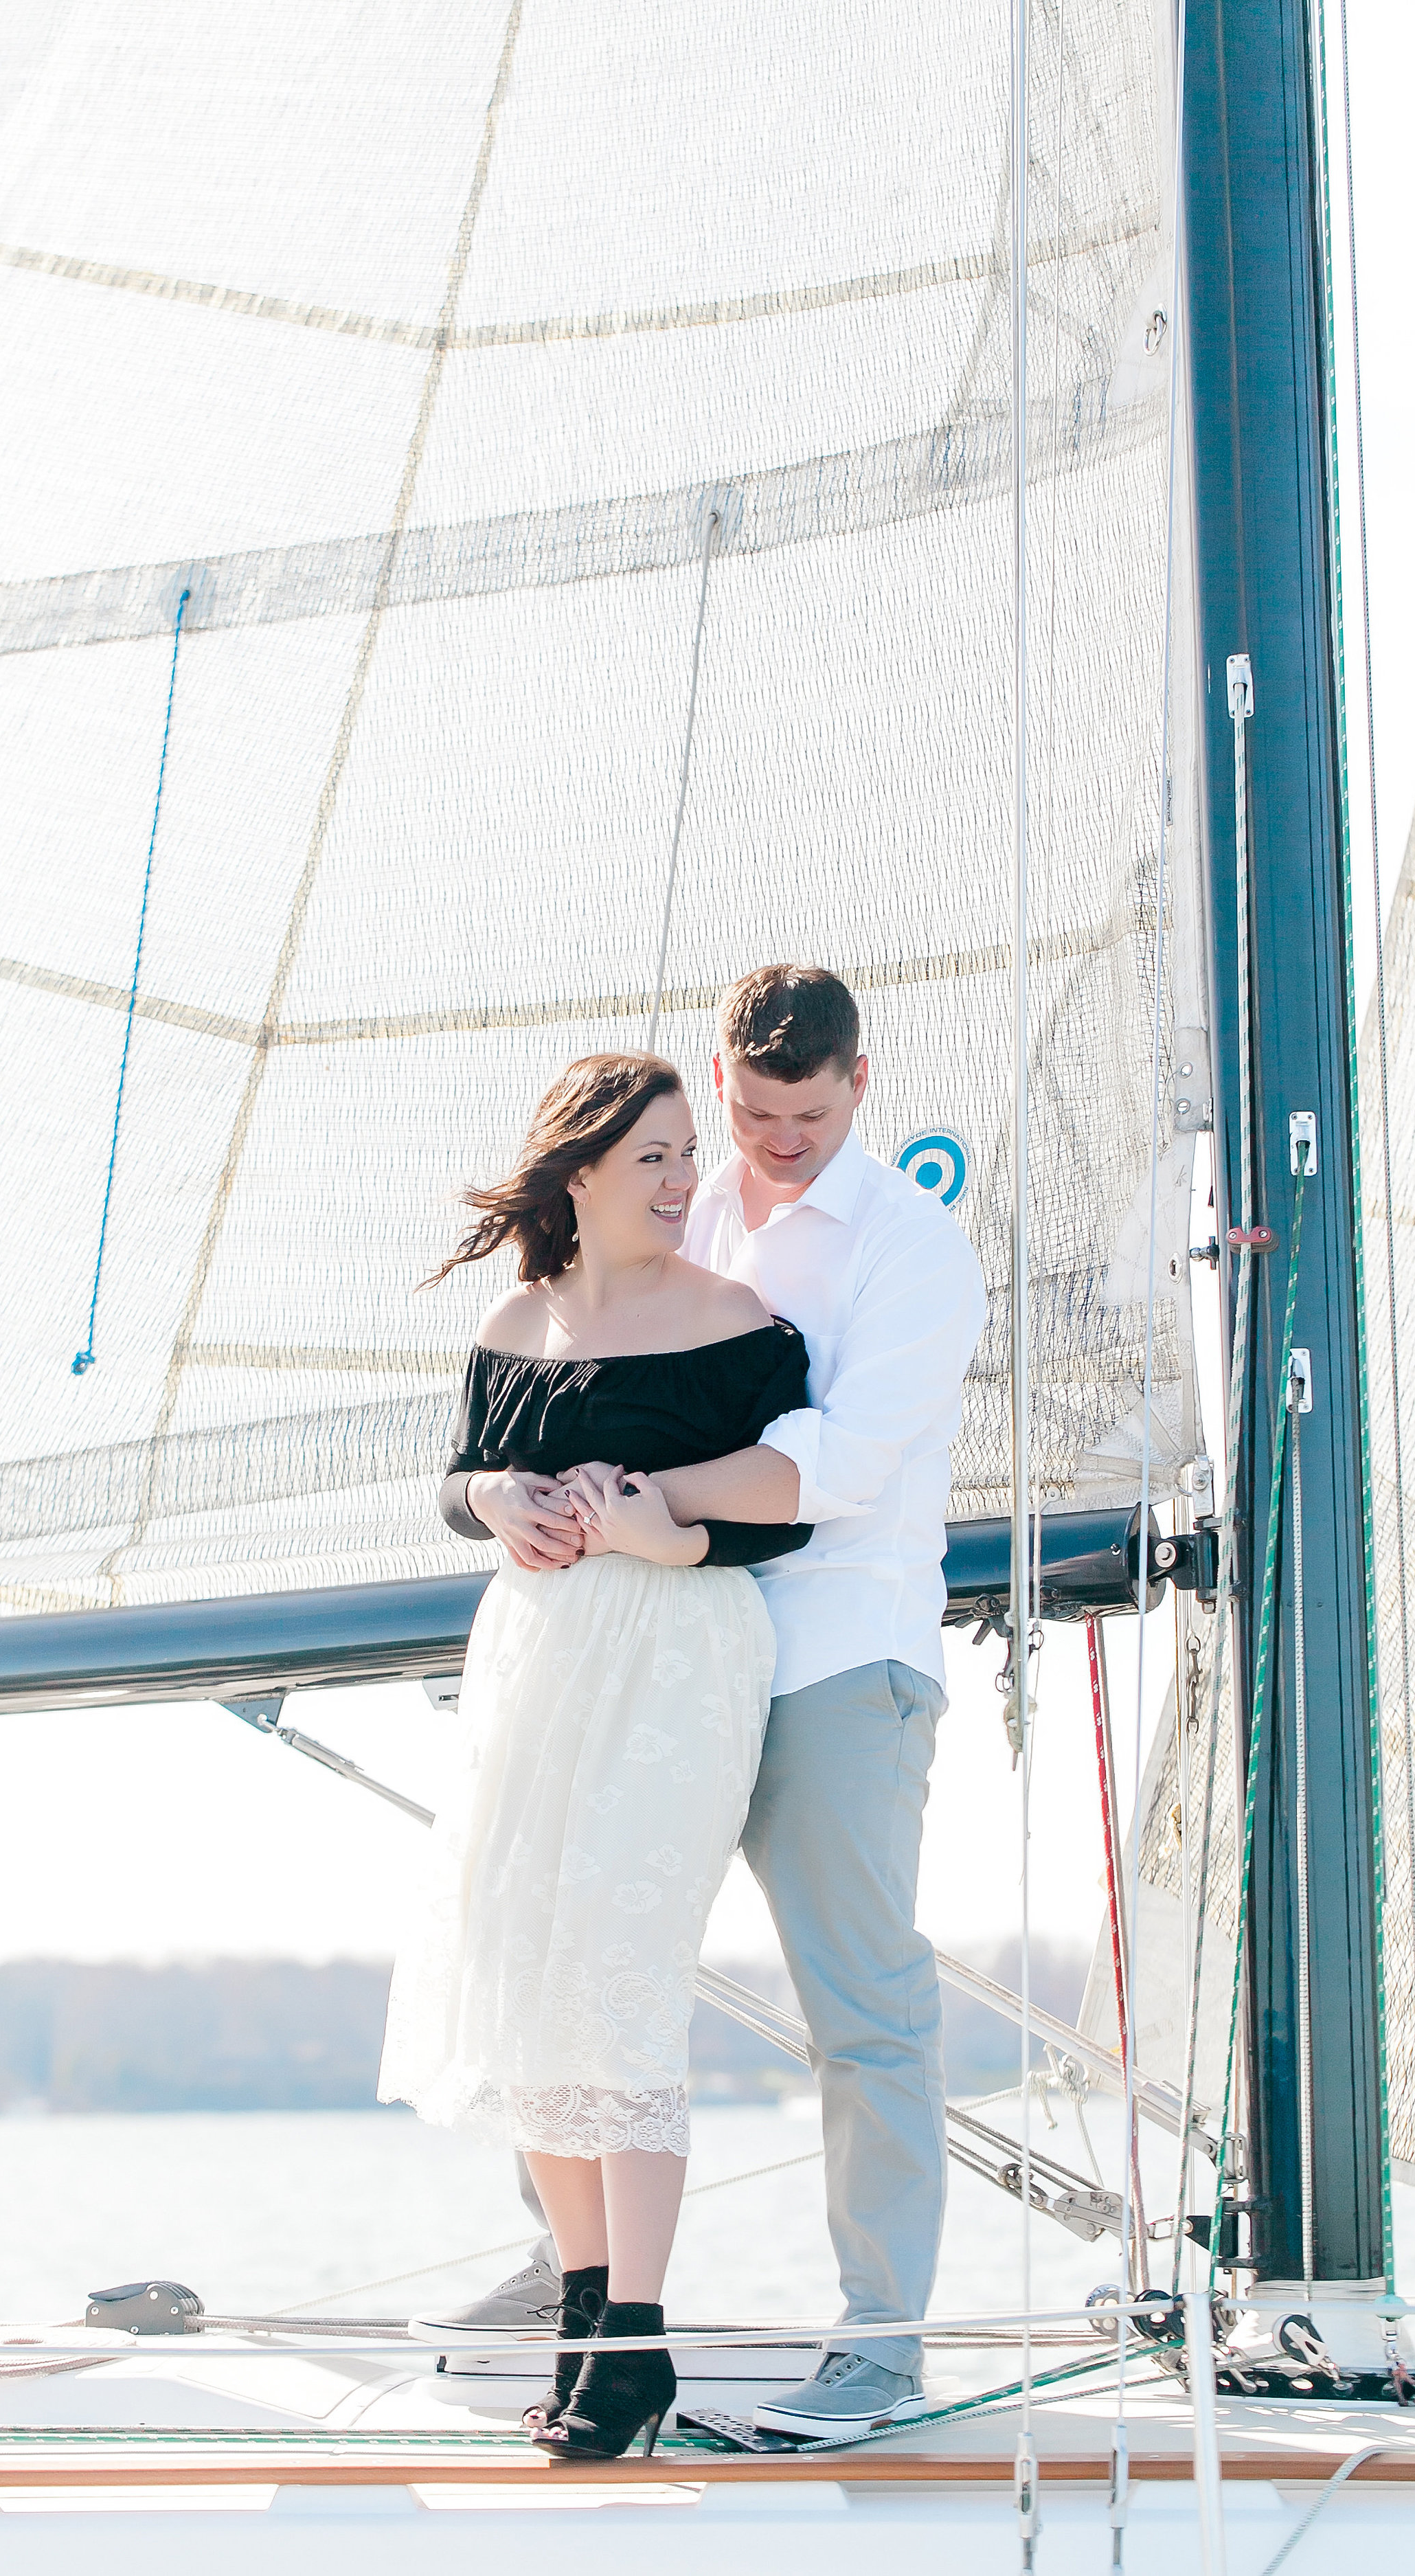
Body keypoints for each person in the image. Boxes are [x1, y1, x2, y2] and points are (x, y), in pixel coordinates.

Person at [423, 965, 987, 2441]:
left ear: (860, 1085)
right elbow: (550, 1381)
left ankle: (881, 2343)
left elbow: (839, 1461)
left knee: (861, 2012)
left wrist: (631, 1506)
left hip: (828, 1657)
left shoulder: (912, 1252)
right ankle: (584, 2293)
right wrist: (504, 1496)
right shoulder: (680, 1195)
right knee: (560, 1954)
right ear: (717, 1083)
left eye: (803, 1115)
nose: (771, 1142)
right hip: (637, 1650)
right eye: (749, 1113)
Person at [377, 1050, 811, 2461]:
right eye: (655, 1160)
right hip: (536, 1660)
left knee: (617, 1982)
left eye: (690, 1156)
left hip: (678, 1659)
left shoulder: (735, 1316)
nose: (687, 1182)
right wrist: (493, 1492)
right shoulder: (517, 1319)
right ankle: (584, 2325)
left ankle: (633, 2339)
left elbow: (789, 1495)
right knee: (529, 1979)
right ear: (578, 1174)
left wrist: (657, 1523)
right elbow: (457, 1479)